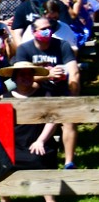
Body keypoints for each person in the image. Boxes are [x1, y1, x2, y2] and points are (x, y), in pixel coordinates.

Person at [13, 15, 79, 170]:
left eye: (49, 28)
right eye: (43, 29)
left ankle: (69, 162)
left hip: (60, 91)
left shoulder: (62, 45)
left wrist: (74, 95)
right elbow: (19, 76)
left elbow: (74, 70)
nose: (47, 32)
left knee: (69, 120)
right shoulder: (24, 49)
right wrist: (47, 75)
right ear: (34, 31)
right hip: (37, 91)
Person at [0, 61, 59, 202]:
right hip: (14, 145)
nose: (26, 77)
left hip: (38, 142)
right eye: (22, 74)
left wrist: (41, 140)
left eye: (29, 73)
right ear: (15, 78)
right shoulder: (4, 98)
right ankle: (5, 199)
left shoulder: (45, 94)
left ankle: (50, 200)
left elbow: (53, 119)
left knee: (38, 158)